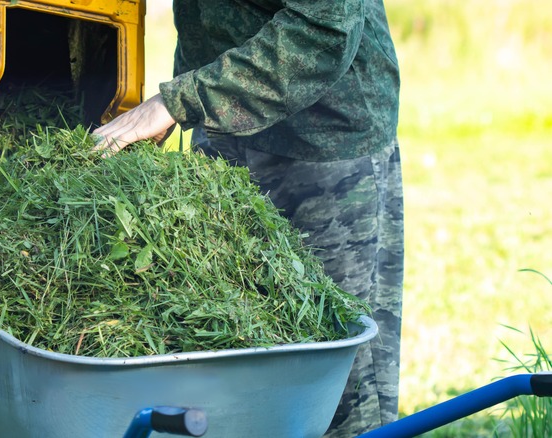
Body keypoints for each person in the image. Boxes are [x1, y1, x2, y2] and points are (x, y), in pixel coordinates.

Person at [92, 1, 402, 435]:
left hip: (322, 140)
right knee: (224, 342)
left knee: (330, 365)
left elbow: (323, 30)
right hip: (223, 127)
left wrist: (179, 100)